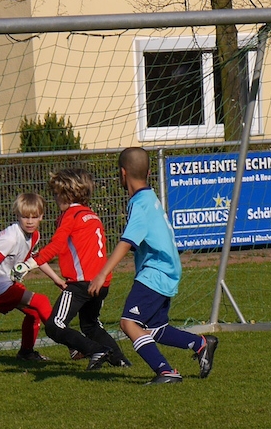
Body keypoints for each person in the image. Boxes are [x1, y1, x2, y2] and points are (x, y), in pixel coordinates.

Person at [89, 147, 218, 385]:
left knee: (128, 323)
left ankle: (166, 372)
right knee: (155, 328)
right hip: (167, 270)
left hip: (156, 271)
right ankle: (200, 344)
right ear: (149, 173)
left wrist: (102, 273)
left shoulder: (140, 204)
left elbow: (127, 242)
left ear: (122, 173)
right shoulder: (149, 198)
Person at [14, 168, 131, 371]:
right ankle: (119, 360)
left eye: (56, 193)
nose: (55, 198)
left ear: (66, 194)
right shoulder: (92, 215)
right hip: (102, 282)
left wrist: (29, 264)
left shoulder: (71, 215)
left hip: (81, 284)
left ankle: (96, 350)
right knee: (90, 325)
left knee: (55, 325)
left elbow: (56, 245)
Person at [0, 193, 67, 361]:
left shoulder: (34, 235)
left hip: (2, 283)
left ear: (41, 216)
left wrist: (57, 280)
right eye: (25, 217)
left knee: (33, 313)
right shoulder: (10, 238)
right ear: (17, 215)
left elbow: (36, 260)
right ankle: (72, 344)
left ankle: (26, 352)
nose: (30, 221)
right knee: (41, 302)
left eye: (34, 217)